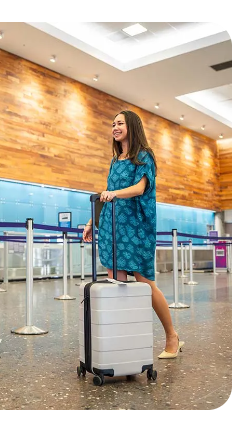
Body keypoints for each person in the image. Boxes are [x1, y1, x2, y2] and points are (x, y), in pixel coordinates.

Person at [81, 110, 182, 358]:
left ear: (132, 126)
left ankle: (172, 336)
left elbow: (139, 188)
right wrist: (92, 220)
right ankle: (123, 340)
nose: (115, 127)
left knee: (145, 283)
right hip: (112, 226)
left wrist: (114, 194)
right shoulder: (115, 160)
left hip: (135, 228)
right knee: (117, 284)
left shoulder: (144, 157)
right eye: (113, 123)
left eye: (120, 123)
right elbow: (108, 191)